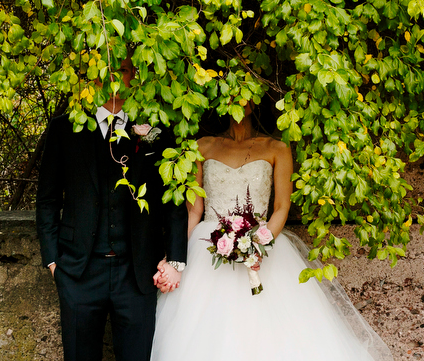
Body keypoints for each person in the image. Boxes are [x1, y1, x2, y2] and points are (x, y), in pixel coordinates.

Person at [150, 100, 393, 361]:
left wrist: (259, 244)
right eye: (230, 94)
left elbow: (281, 207)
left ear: (255, 101)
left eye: (245, 94)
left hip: (261, 243)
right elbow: (194, 211)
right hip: (207, 247)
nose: (237, 101)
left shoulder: (277, 148)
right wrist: (174, 256)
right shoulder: (202, 146)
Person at [36, 57, 188, 361]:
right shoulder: (65, 128)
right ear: (93, 76)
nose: (115, 78)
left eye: (123, 71)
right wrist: (53, 261)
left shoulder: (156, 131)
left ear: (134, 77)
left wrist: (175, 260)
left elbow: (173, 199)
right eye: (108, 70)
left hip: (137, 274)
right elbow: (48, 199)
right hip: (79, 272)